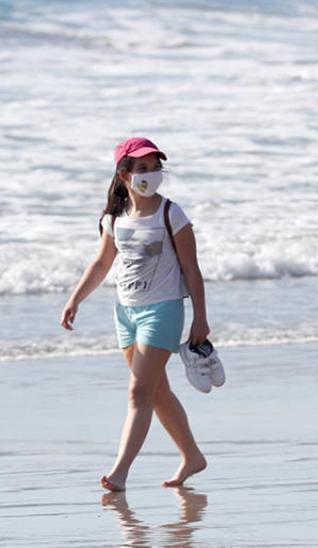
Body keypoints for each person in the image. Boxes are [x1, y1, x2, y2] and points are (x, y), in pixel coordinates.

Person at [60, 137, 210, 491]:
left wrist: (199, 317)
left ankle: (120, 472)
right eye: (143, 168)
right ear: (124, 174)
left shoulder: (171, 214)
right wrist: (75, 298)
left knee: (137, 393)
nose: (152, 174)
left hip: (163, 311)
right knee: (156, 392)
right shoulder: (115, 218)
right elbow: (101, 263)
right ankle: (192, 456)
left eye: (156, 167)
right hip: (126, 314)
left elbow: (192, 269)